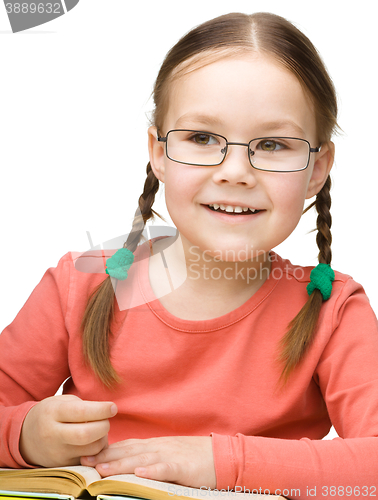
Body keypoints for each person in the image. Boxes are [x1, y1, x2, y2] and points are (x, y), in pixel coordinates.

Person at [0, 11, 377, 499]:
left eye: (272, 144)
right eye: (201, 138)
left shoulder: (333, 311)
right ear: (157, 152)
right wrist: (25, 436)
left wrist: (220, 462)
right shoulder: (80, 283)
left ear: (316, 170)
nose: (236, 171)